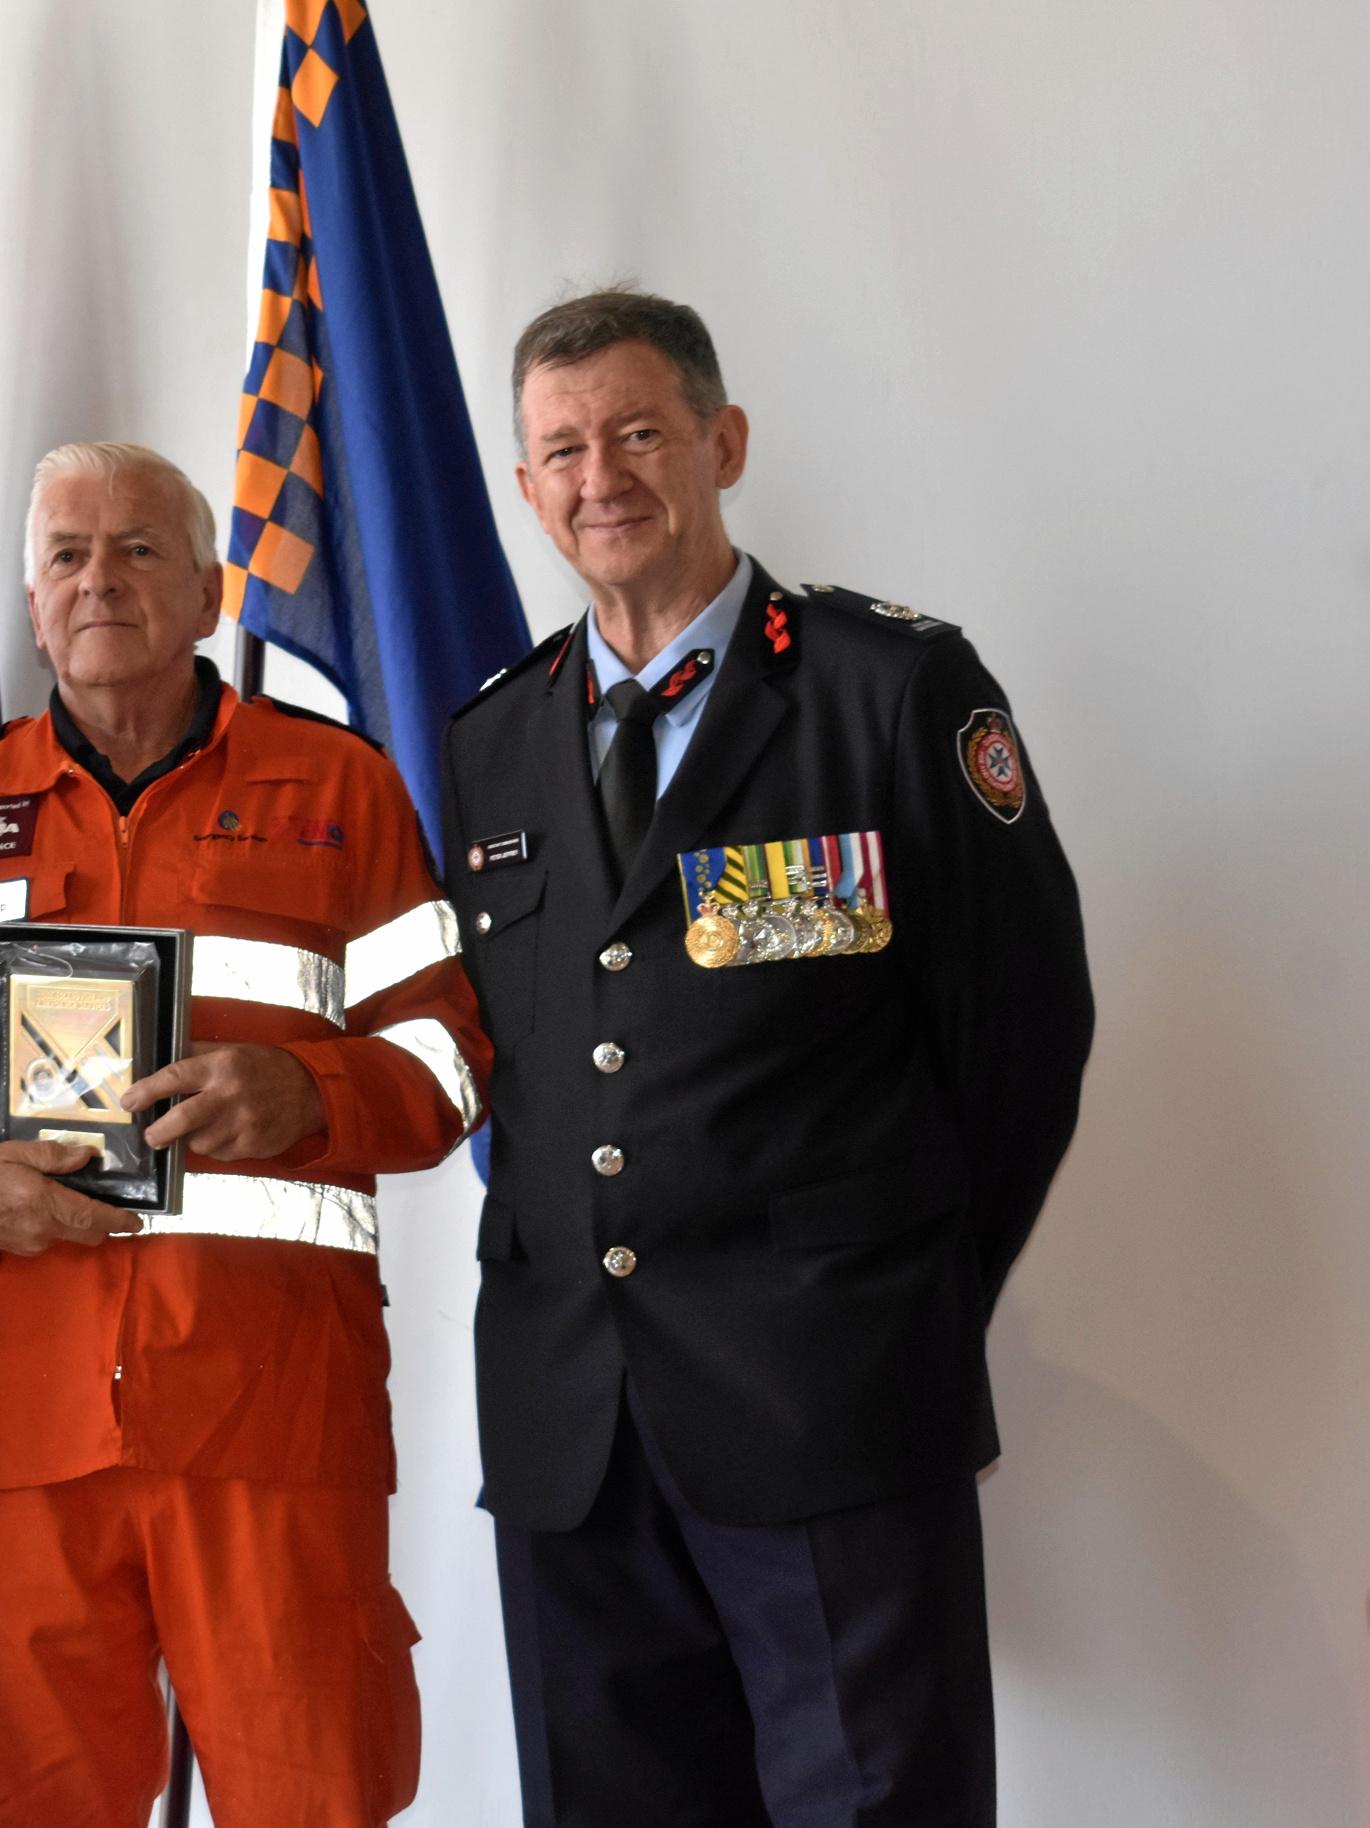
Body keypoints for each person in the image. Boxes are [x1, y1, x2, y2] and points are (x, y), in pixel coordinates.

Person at [441, 288, 1094, 1825]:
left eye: (638, 432)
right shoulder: (491, 737)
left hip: (829, 1402)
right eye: (560, 450)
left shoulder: (888, 690)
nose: (599, 475)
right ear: (524, 489)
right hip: (569, 1434)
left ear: (722, 443)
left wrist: (892, 1298)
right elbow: (523, 1067)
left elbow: (1021, 1034)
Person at [0, 442, 488, 1827]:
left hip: (271, 1431)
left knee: (314, 1805)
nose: (98, 579)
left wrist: (314, 1096)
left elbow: (451, 1056)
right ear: (33, 605)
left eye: (138, 549)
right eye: (64, 556)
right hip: (15, 1439)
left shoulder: (339, 792)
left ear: (212, 590)